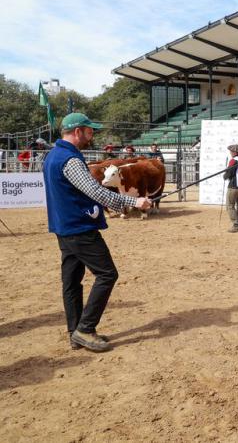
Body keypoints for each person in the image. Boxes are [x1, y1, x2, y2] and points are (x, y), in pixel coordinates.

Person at [43, 113, 152, 352]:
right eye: (89, 131)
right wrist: (134, 203)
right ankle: (85, 329)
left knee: (71, 281)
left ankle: (75, 332)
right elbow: (96, 192)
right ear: (78, 131)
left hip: (64, 227)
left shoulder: (53, 156)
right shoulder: (70, 160)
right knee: (107, 274)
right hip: (79, 228)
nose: (92, 135)